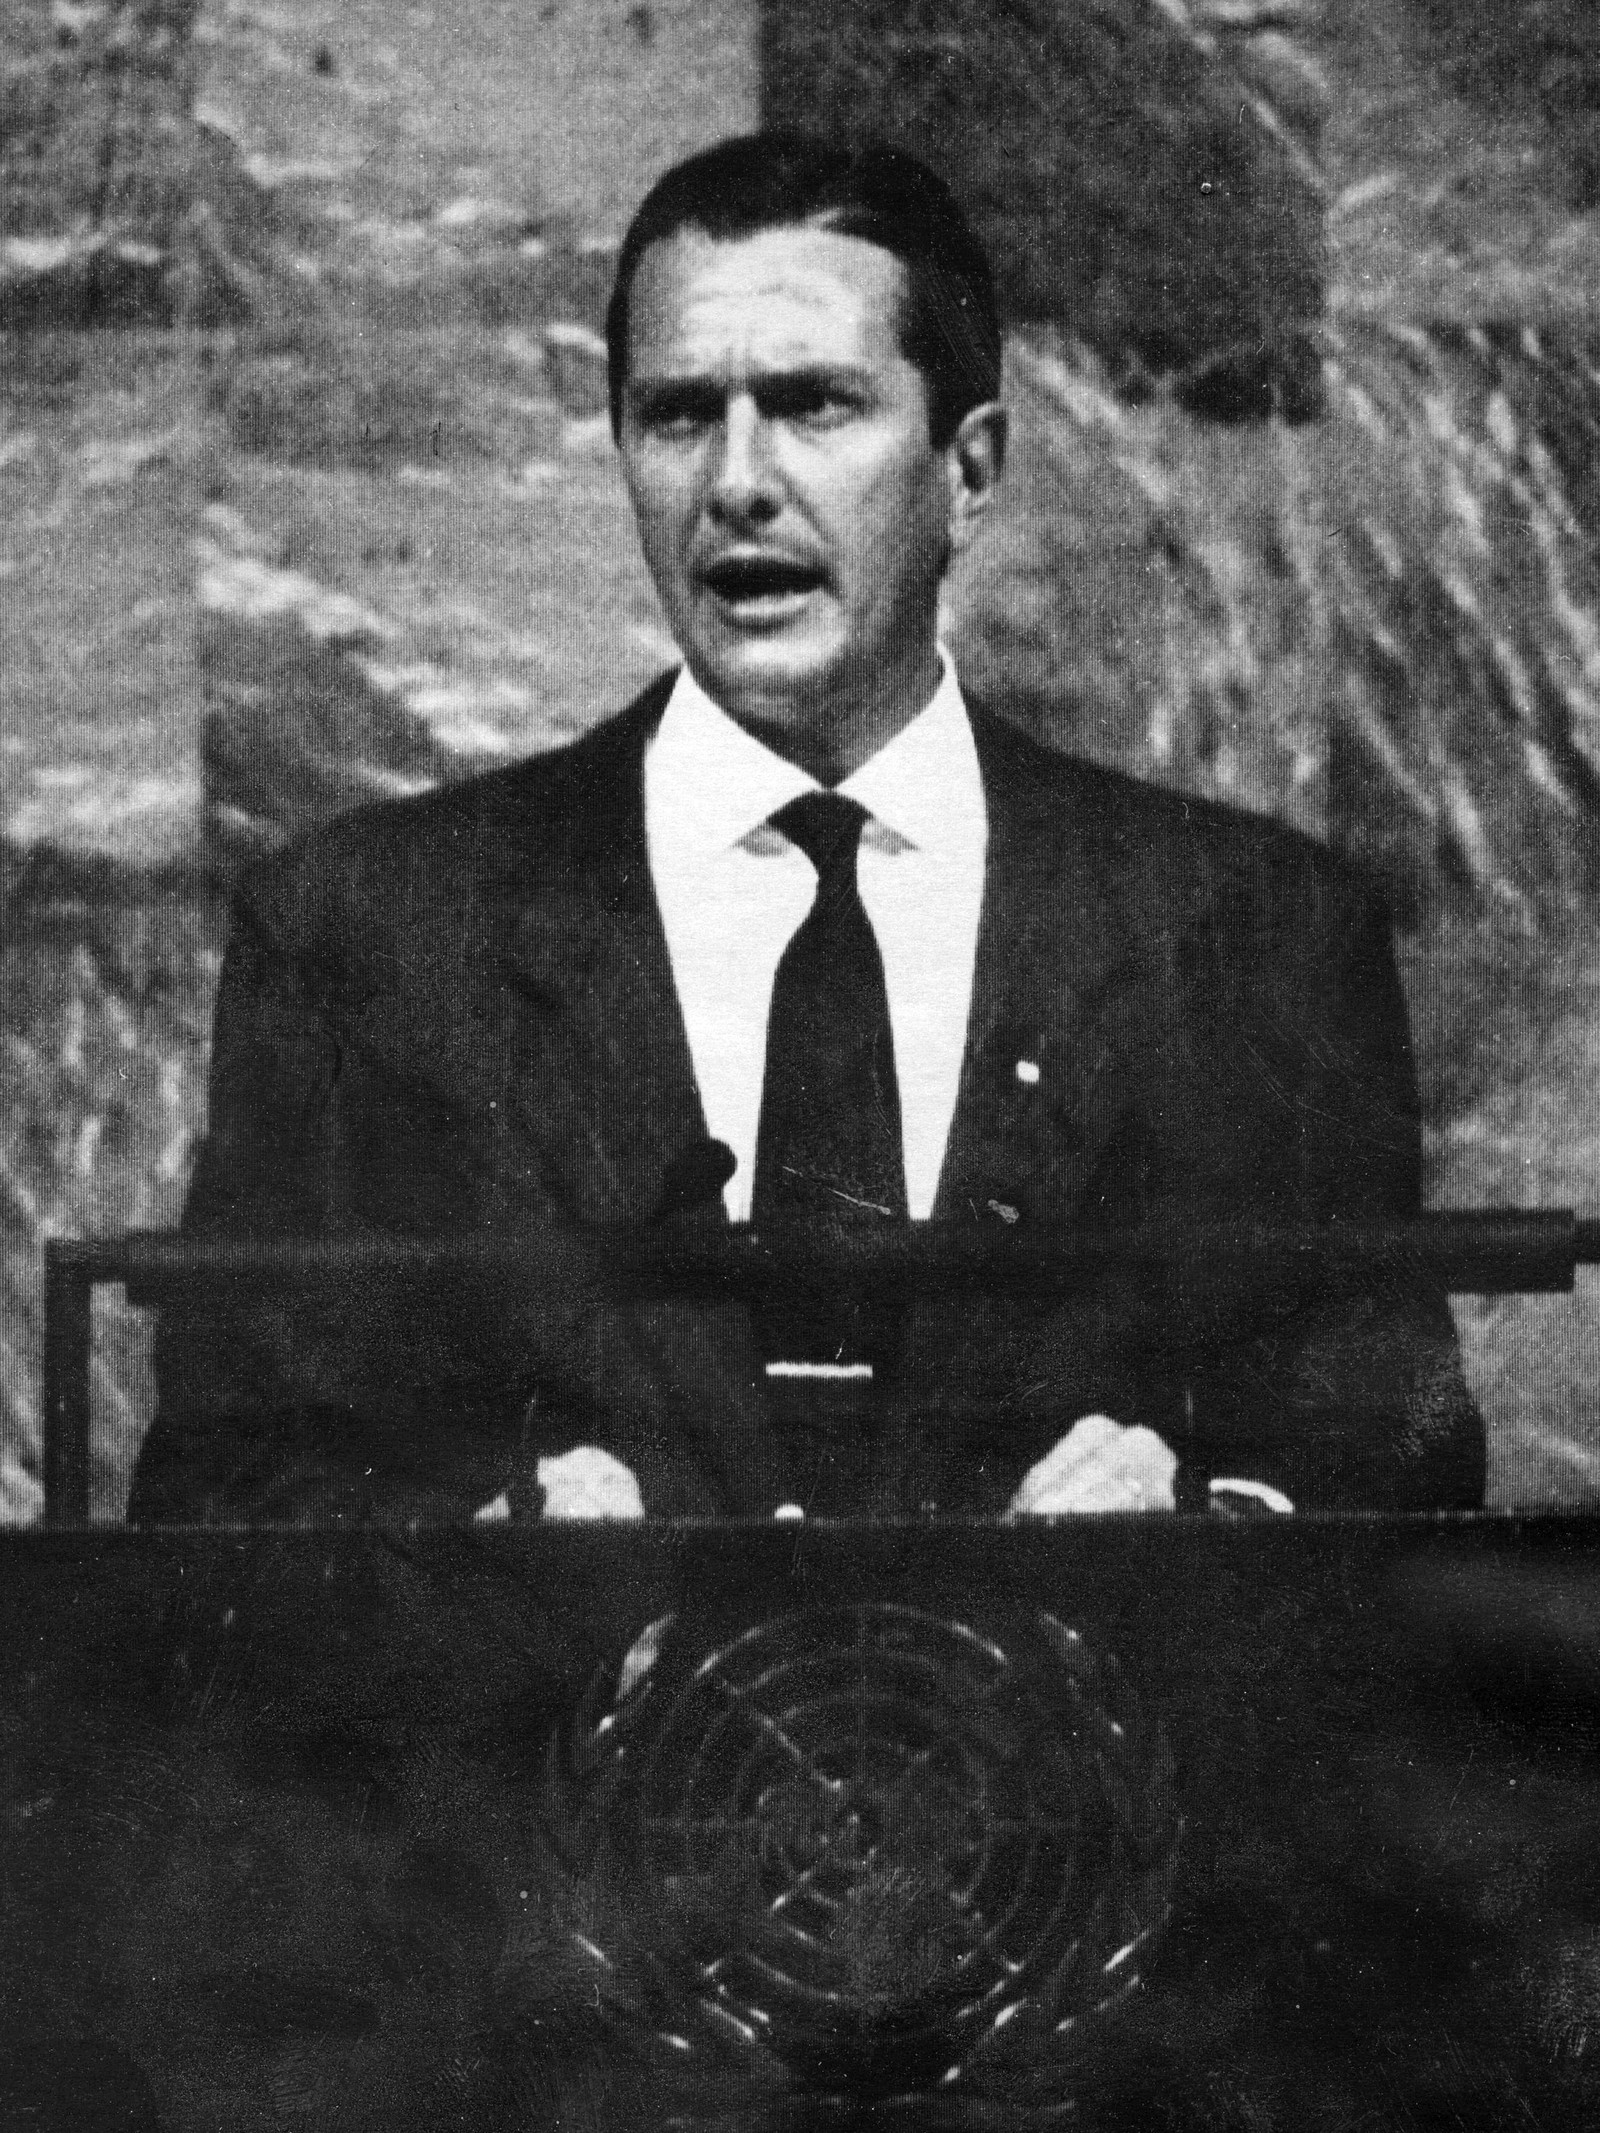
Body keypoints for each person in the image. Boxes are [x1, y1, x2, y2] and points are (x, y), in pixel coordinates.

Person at [128, 132, 1484, 1527]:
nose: (736, 482)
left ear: (971, 470)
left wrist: (1204, 1518)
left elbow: (1398, 1445)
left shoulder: (1253, 930)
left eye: (813, 405)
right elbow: (218, 1491)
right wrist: (483, 1558)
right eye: (675, 417)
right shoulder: (367, 938)